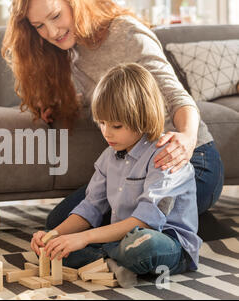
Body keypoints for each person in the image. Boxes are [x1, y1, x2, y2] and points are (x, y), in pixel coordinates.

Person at [1, 0, 224, 228]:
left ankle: (174, 226)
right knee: (60, 223)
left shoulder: (125, 33)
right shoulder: (71, 50)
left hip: (186, 163)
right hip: (134, 168)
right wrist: (63, 105)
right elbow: (108, 100)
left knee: (107, 230)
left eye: (56, 16)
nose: (51, 31)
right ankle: (174, 222)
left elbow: (175, 94)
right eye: (39, 26)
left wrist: (187, 136)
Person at [30, 63, 202, 285]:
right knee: (54, 248)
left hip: (166, 244)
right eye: (101, 123)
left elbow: (146, 222)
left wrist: (83, 238)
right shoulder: (108, 157)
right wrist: (52, 235)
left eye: (116, 126)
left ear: (142, 116)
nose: (107, 133)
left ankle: (105, 259)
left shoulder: (165, 155)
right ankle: (111, 262)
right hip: (121, 239)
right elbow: (90, 207)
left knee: (143, 244)